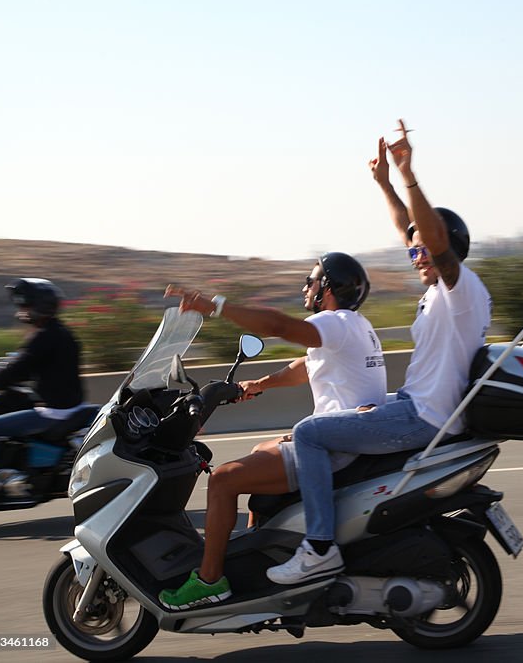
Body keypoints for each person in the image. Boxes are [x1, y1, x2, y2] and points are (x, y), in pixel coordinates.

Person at [266, 120, 491, 585]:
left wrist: (408, 175)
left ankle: (319, 548)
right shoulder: (438, 293)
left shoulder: (460, 289)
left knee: (309, 433)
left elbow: (432, 240)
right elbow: (411, 232)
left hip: (426, 417)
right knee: (339, 418)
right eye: (413, 254)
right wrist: (386, 185)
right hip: (413, 405)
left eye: (424, 252)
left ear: (447, 249)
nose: (417, 257)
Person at [157, 252, 386, 610]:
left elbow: (277, 325)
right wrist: (261, 383)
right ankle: (259, 554)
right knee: (262, 448)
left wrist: (214, 306)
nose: (305, 287)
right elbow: (308, 367)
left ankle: (209, 580)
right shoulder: (355, 325)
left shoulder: (335, 323)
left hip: (333, 446)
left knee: (222, 481)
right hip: (345, 435)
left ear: (327, 287)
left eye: (311, 280)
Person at [0, 279, 86, 509]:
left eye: (24, 306)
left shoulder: (44, 337)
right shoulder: (61, 332)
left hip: (53, 412)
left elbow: (14, 371)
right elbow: (27, 366)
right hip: (68, 406)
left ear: (37, 307)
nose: (21, 311)